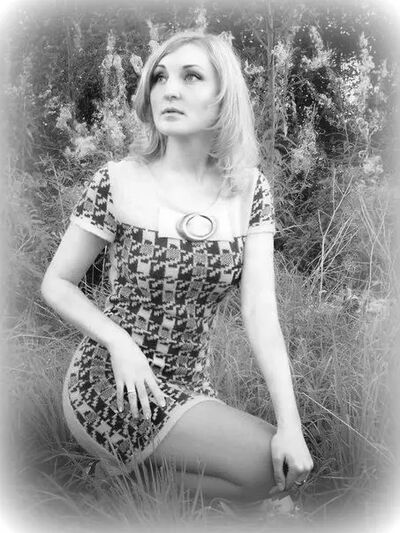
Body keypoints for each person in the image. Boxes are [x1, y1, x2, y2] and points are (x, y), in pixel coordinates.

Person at [41, 29, 313, 505]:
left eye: (191, 77)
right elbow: (57, 282)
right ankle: (130, 475)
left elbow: (260, 312)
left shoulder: (250, 190)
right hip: (112, 379)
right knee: (264, 469)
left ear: (223, 96)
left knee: (284, 462)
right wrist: (119, 342)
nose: (169, 89)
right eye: (160, 77)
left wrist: (290, 424)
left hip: (190, 385)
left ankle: (123, 482)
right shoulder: (117, 181)